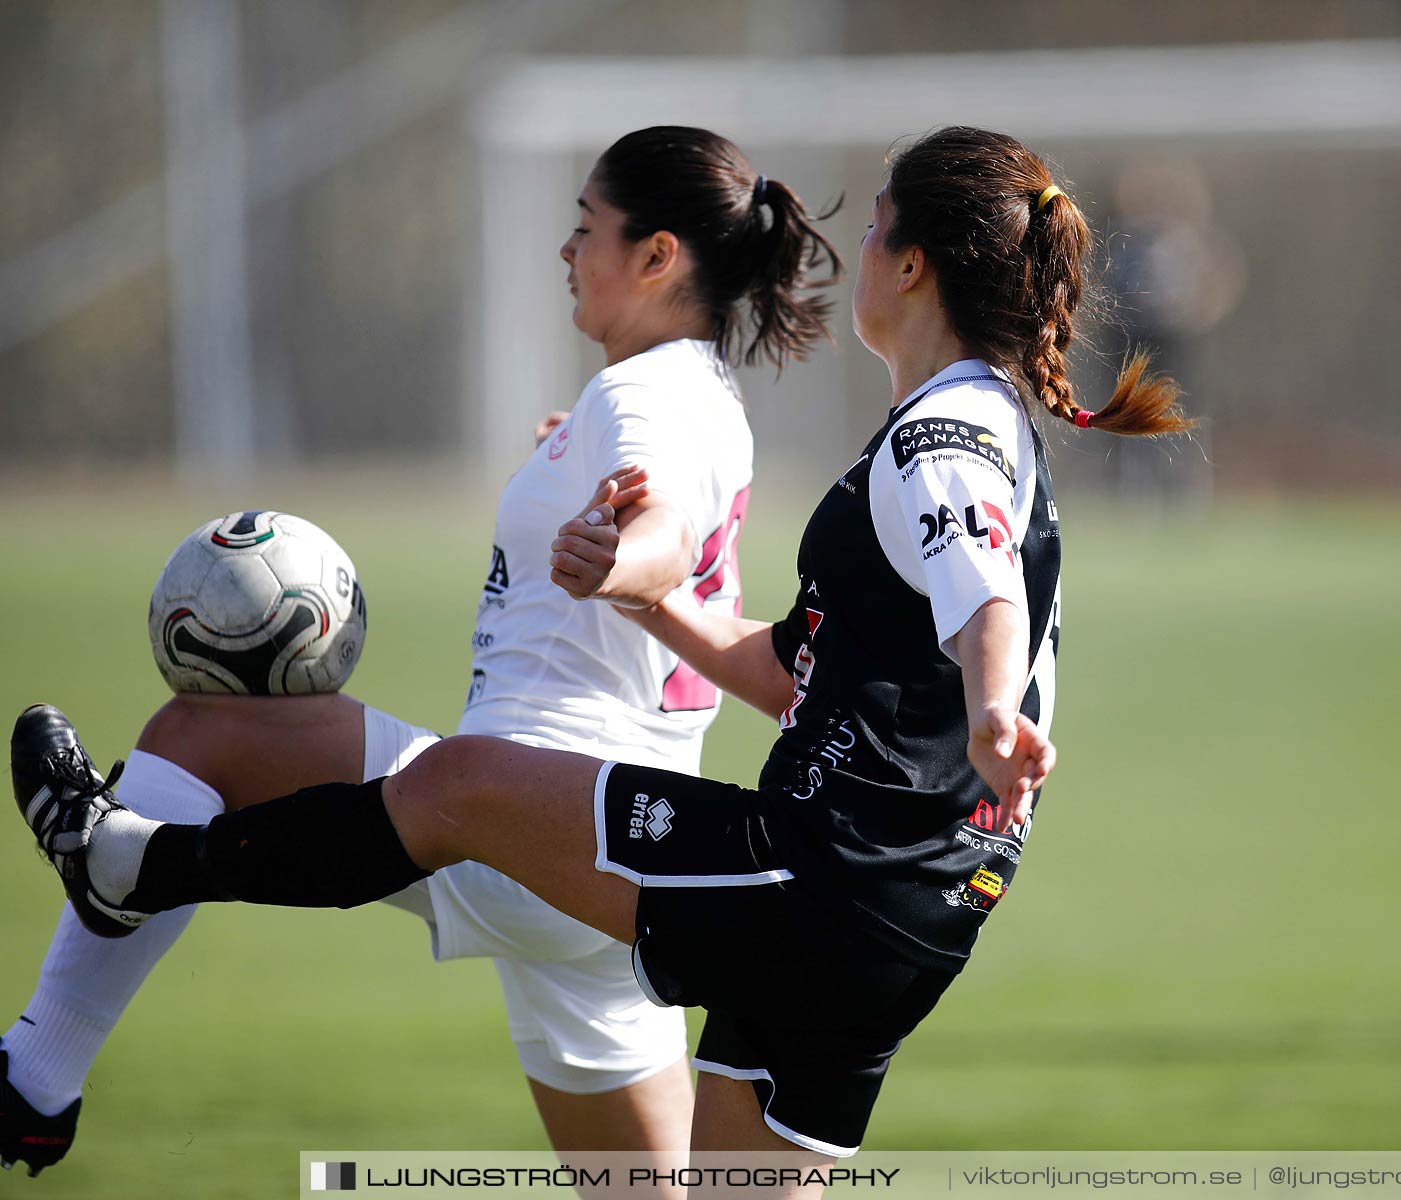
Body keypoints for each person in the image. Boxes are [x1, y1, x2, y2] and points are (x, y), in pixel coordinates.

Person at [14, 125, 1190, 1186]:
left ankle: (130, 883)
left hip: (798, 874)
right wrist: (644, 591)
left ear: (913, 263)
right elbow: (786, 670)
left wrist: (989, 707)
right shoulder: (930, 420)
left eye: (878, 224)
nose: (863, 245)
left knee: (427, 778)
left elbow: (966, 573)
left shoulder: (935, 427)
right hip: (908, 906)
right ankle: (81, 980)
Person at [0, 125, 841, 1179]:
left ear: (658, 256)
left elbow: (661, 524)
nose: (567, 251)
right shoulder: (689, 393)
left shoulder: (647, 394)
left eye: (587, 229)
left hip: (523, 822)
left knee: (202, 731)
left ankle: (38, 1068)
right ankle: (51, 1042)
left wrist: (631, 558)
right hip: (613, 871)